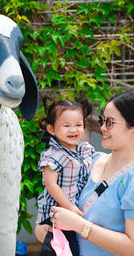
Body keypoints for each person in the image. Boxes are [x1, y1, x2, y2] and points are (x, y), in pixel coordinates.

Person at [35, 91, 134, 255]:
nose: (102, 128)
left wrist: (79, 225)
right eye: (102, 120)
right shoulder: (89, 161)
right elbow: (44, 224)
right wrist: (44, 228)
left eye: (110, 122)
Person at [36, 93, 96, 256]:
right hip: (57, 213)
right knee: (64, 250)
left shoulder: (84, 149)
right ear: (51, 129)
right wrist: (68, 207)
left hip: (74, 212)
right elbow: (51, 184)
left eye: (78, 124)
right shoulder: (53, 154)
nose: (73, 130)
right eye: (66, 126)